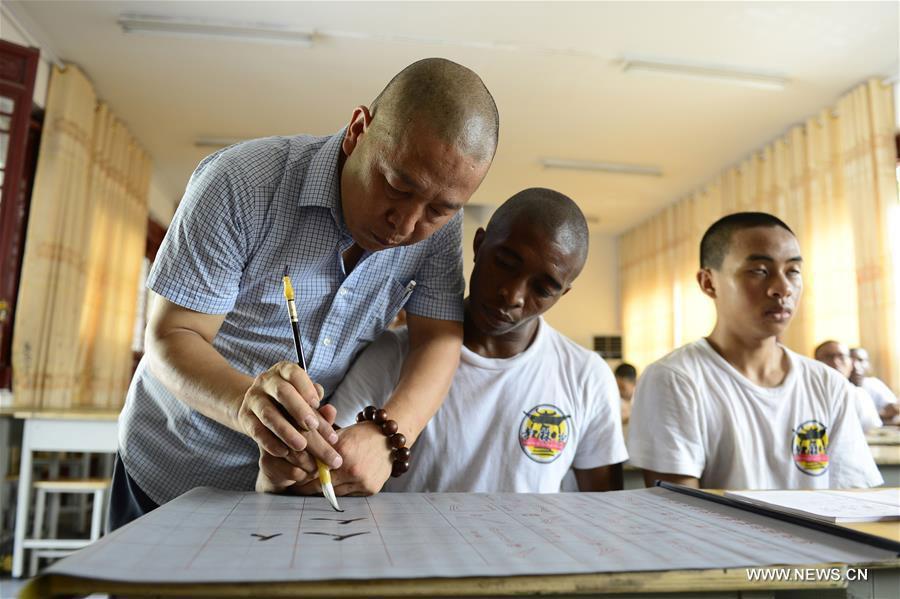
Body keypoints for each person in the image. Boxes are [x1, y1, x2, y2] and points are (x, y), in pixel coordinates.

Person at [111, 58, 500, 529]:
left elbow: (437, 337)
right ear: (359, 129)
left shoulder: (439, 231)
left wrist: (390, 434)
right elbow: (173, 335)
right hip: (174, 471)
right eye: (397, 186)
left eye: (438, 209)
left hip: (300, 490)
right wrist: (246, 404)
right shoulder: (240, 183)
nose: (406, 224)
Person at [257, 188, 627, 494]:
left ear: (564, 293)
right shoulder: (391, 356)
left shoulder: (587, 375)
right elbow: (321, 474)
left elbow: (604, 513)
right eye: (506, 262)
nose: (512, 294)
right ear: (479, 245)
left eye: (543, 288)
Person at [627, 212, 882, 489]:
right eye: (759, 271)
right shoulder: (676, 379)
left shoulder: (827, 385)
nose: (782, 288)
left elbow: (850, 504)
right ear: (709, 282)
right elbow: (679, 515)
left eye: (793, 271)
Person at [814, 340, 882, 431]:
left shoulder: (860, 394)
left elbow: (873, 431)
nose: (836, 362)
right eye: (828, 357)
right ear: (815, 363)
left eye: (842, 357)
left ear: (851, 363)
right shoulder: (808, 396)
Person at [850, 347, 900, 424]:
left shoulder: (874, 383)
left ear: (869, 365)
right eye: (851, 361)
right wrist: (881, 414)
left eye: (861, 360)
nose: (856, 366)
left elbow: (894, 409)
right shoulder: (841, 388)